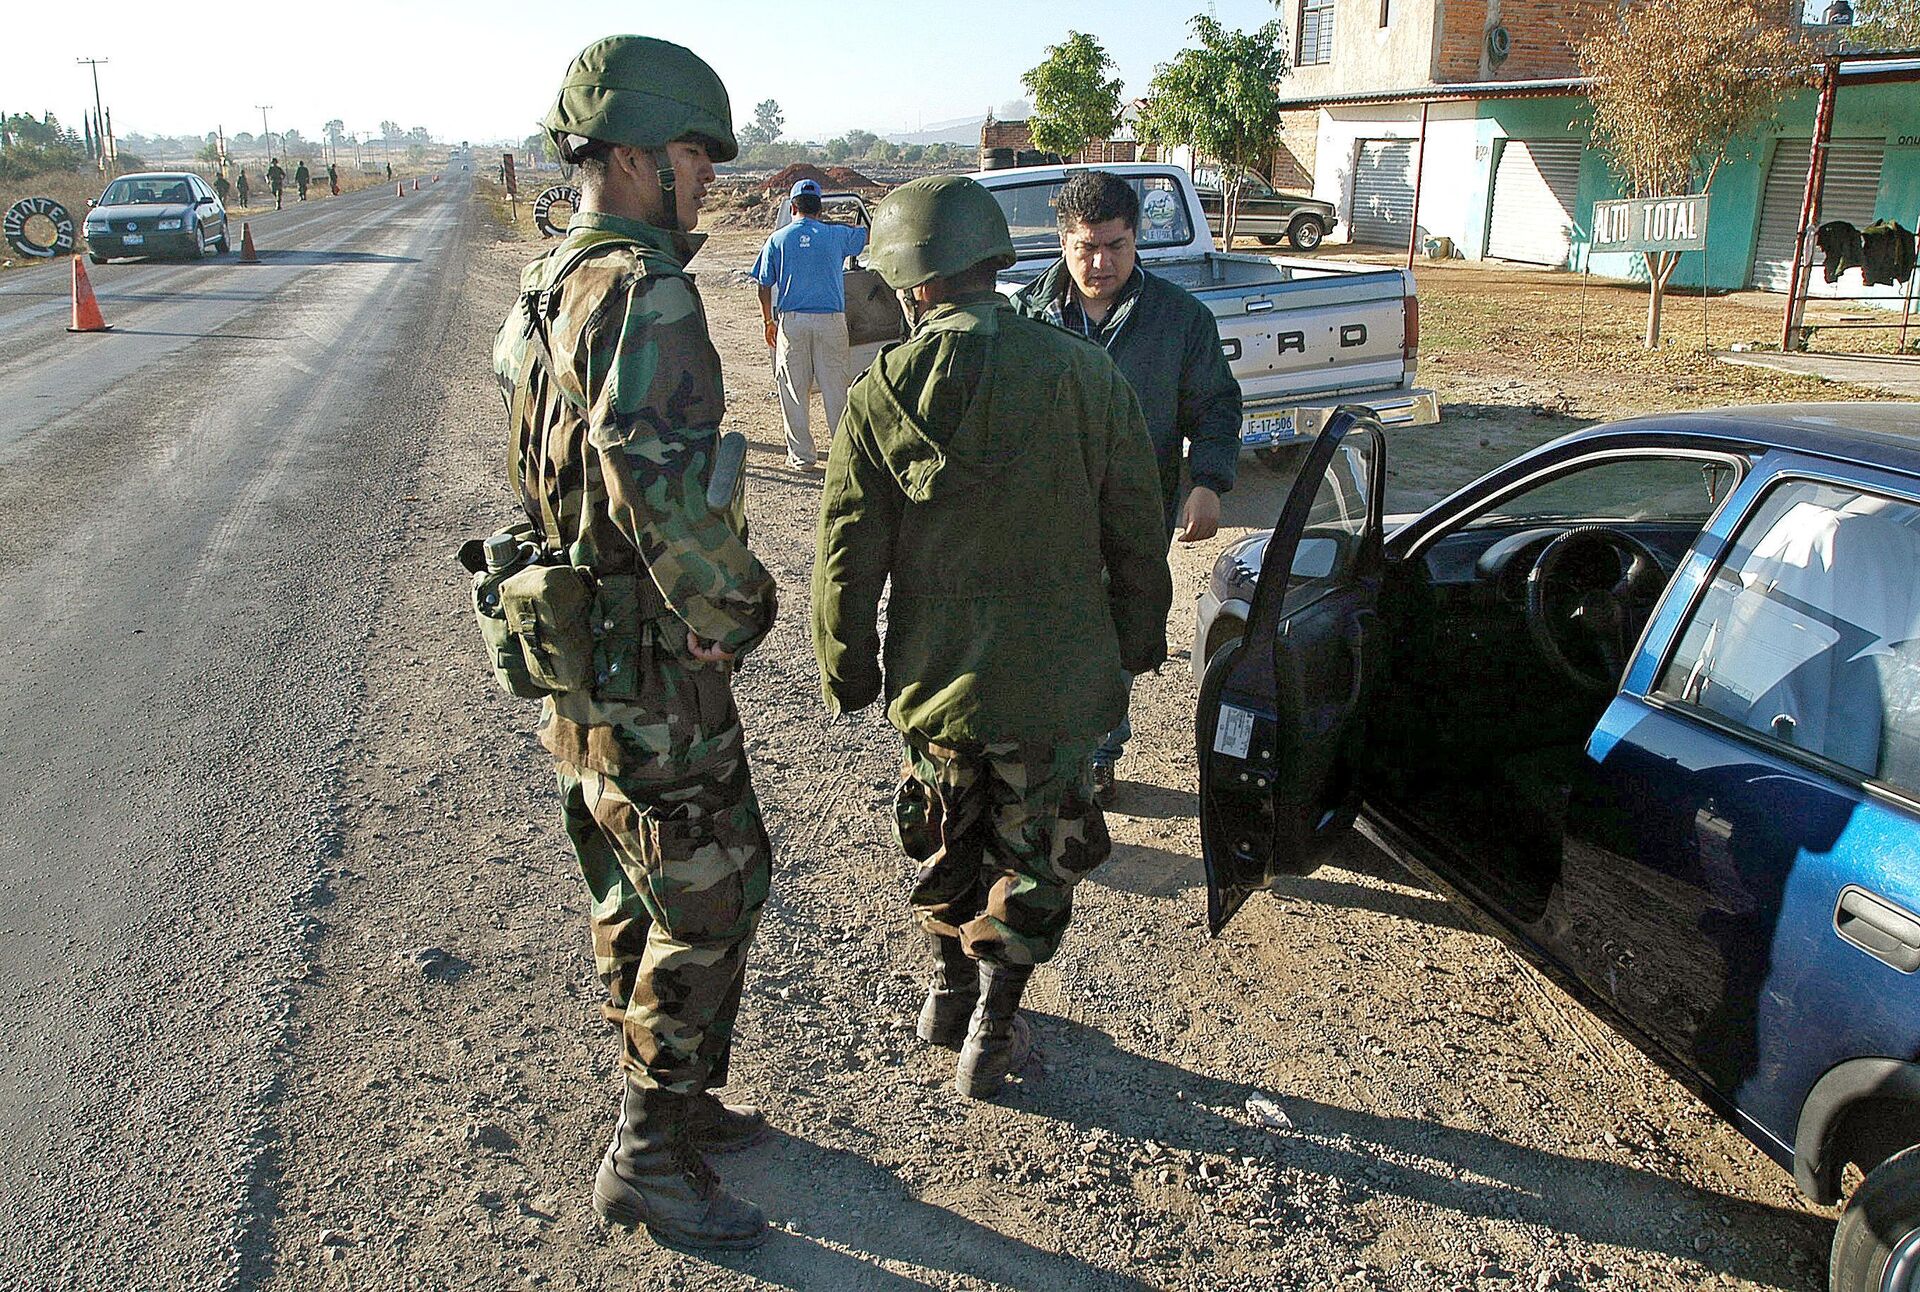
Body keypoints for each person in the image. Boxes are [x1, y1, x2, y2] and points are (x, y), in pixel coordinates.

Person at [491, 34, 776, 1251]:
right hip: (653, 657)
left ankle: (681, 1093)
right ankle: (648, 1150)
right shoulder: (642, 287)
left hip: (580, 649)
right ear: (635, 159)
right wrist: (735, 612)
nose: (708, 177)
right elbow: (655, 481)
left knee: (631, 876)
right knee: (714, 886)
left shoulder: (549, 280)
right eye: (693, 157)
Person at [812, 175, 1172, 1100]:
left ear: (910, 283)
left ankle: (945, 991)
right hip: (1058, 682)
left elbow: (848, 553)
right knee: (1034, 851)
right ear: (992, 262)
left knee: (944, 836)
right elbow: (1136, 523)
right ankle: (991, 1028)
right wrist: (1136, 641)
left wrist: (848, 668)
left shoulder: (882, 391)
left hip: (935, 683)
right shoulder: (1085, 372)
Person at [1009, 170, 1241, 802]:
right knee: (1048, 625)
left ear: (1137, 239)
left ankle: (1101, 752)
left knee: (1118, 627)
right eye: (1086, 246)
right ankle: (1051, 743)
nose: (1100, 261)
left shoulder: (1179, 319)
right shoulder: (1026, 317)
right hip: (1045, 514)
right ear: (1063, 241)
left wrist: (1208, 481)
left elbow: (1216, 405)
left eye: (1115, 245)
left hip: (1137, 510)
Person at [749, 178, 868, 470]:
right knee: (835, 389)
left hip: (793, 321)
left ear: (793, 207)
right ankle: (843, 455)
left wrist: (768, 320)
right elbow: (866, 234)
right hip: (831, 321)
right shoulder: (835, 235)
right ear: (820, 209)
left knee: (793, 388)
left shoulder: (777, 239)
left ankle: (802, 457)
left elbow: (763, 285)